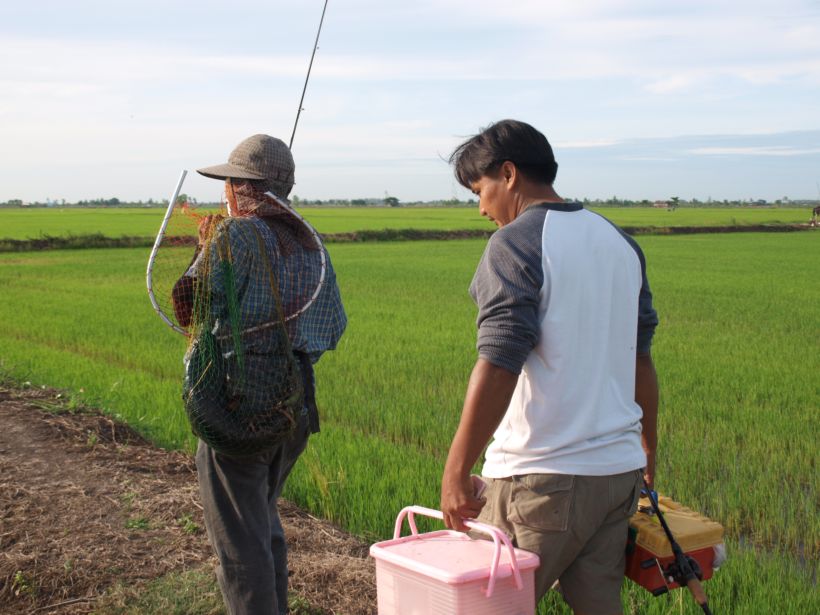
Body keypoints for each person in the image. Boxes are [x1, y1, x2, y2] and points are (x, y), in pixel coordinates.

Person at [439, 120, 659, 614]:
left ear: (509, 174)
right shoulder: (619, 242)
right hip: (616, 476)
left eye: (480, 190)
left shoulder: (515, 243)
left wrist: (455, 471)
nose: (480, 207)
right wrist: (647, 453)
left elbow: (499, 363)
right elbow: (641, 359)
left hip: (543, 480)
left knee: (491, 608)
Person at [174, 134, 346, 615]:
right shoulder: (312, 242)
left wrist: (202, 250)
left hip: (236, 410)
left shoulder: (235, 235)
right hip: (294, 406)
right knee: (261, 521)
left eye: (229, 182)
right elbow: (332, 327)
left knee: (239, 544)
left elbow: (188, 308)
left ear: (240, 187)